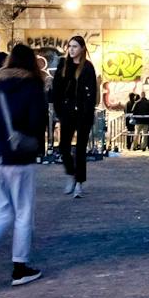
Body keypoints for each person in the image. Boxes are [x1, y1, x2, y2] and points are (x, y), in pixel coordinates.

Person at [0, 42, 49, 288]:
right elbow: (37, 123)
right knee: (23, 211)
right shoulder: (33, 86)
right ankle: (20, 267)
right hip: (19, 158)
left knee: (0, 212)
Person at [53, 35, 99, 197]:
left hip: (83, 113)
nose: (71, 50)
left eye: (75, 47)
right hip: (67, 112)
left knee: (80, 149)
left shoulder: (87, 67)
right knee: (63, 147)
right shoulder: (63, 65)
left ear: (82, 49)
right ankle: (71, 174)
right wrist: (59, 111)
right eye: (70, 46)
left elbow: (92, 92)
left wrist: (88, 111)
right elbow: (56, 90)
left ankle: (79, 183)